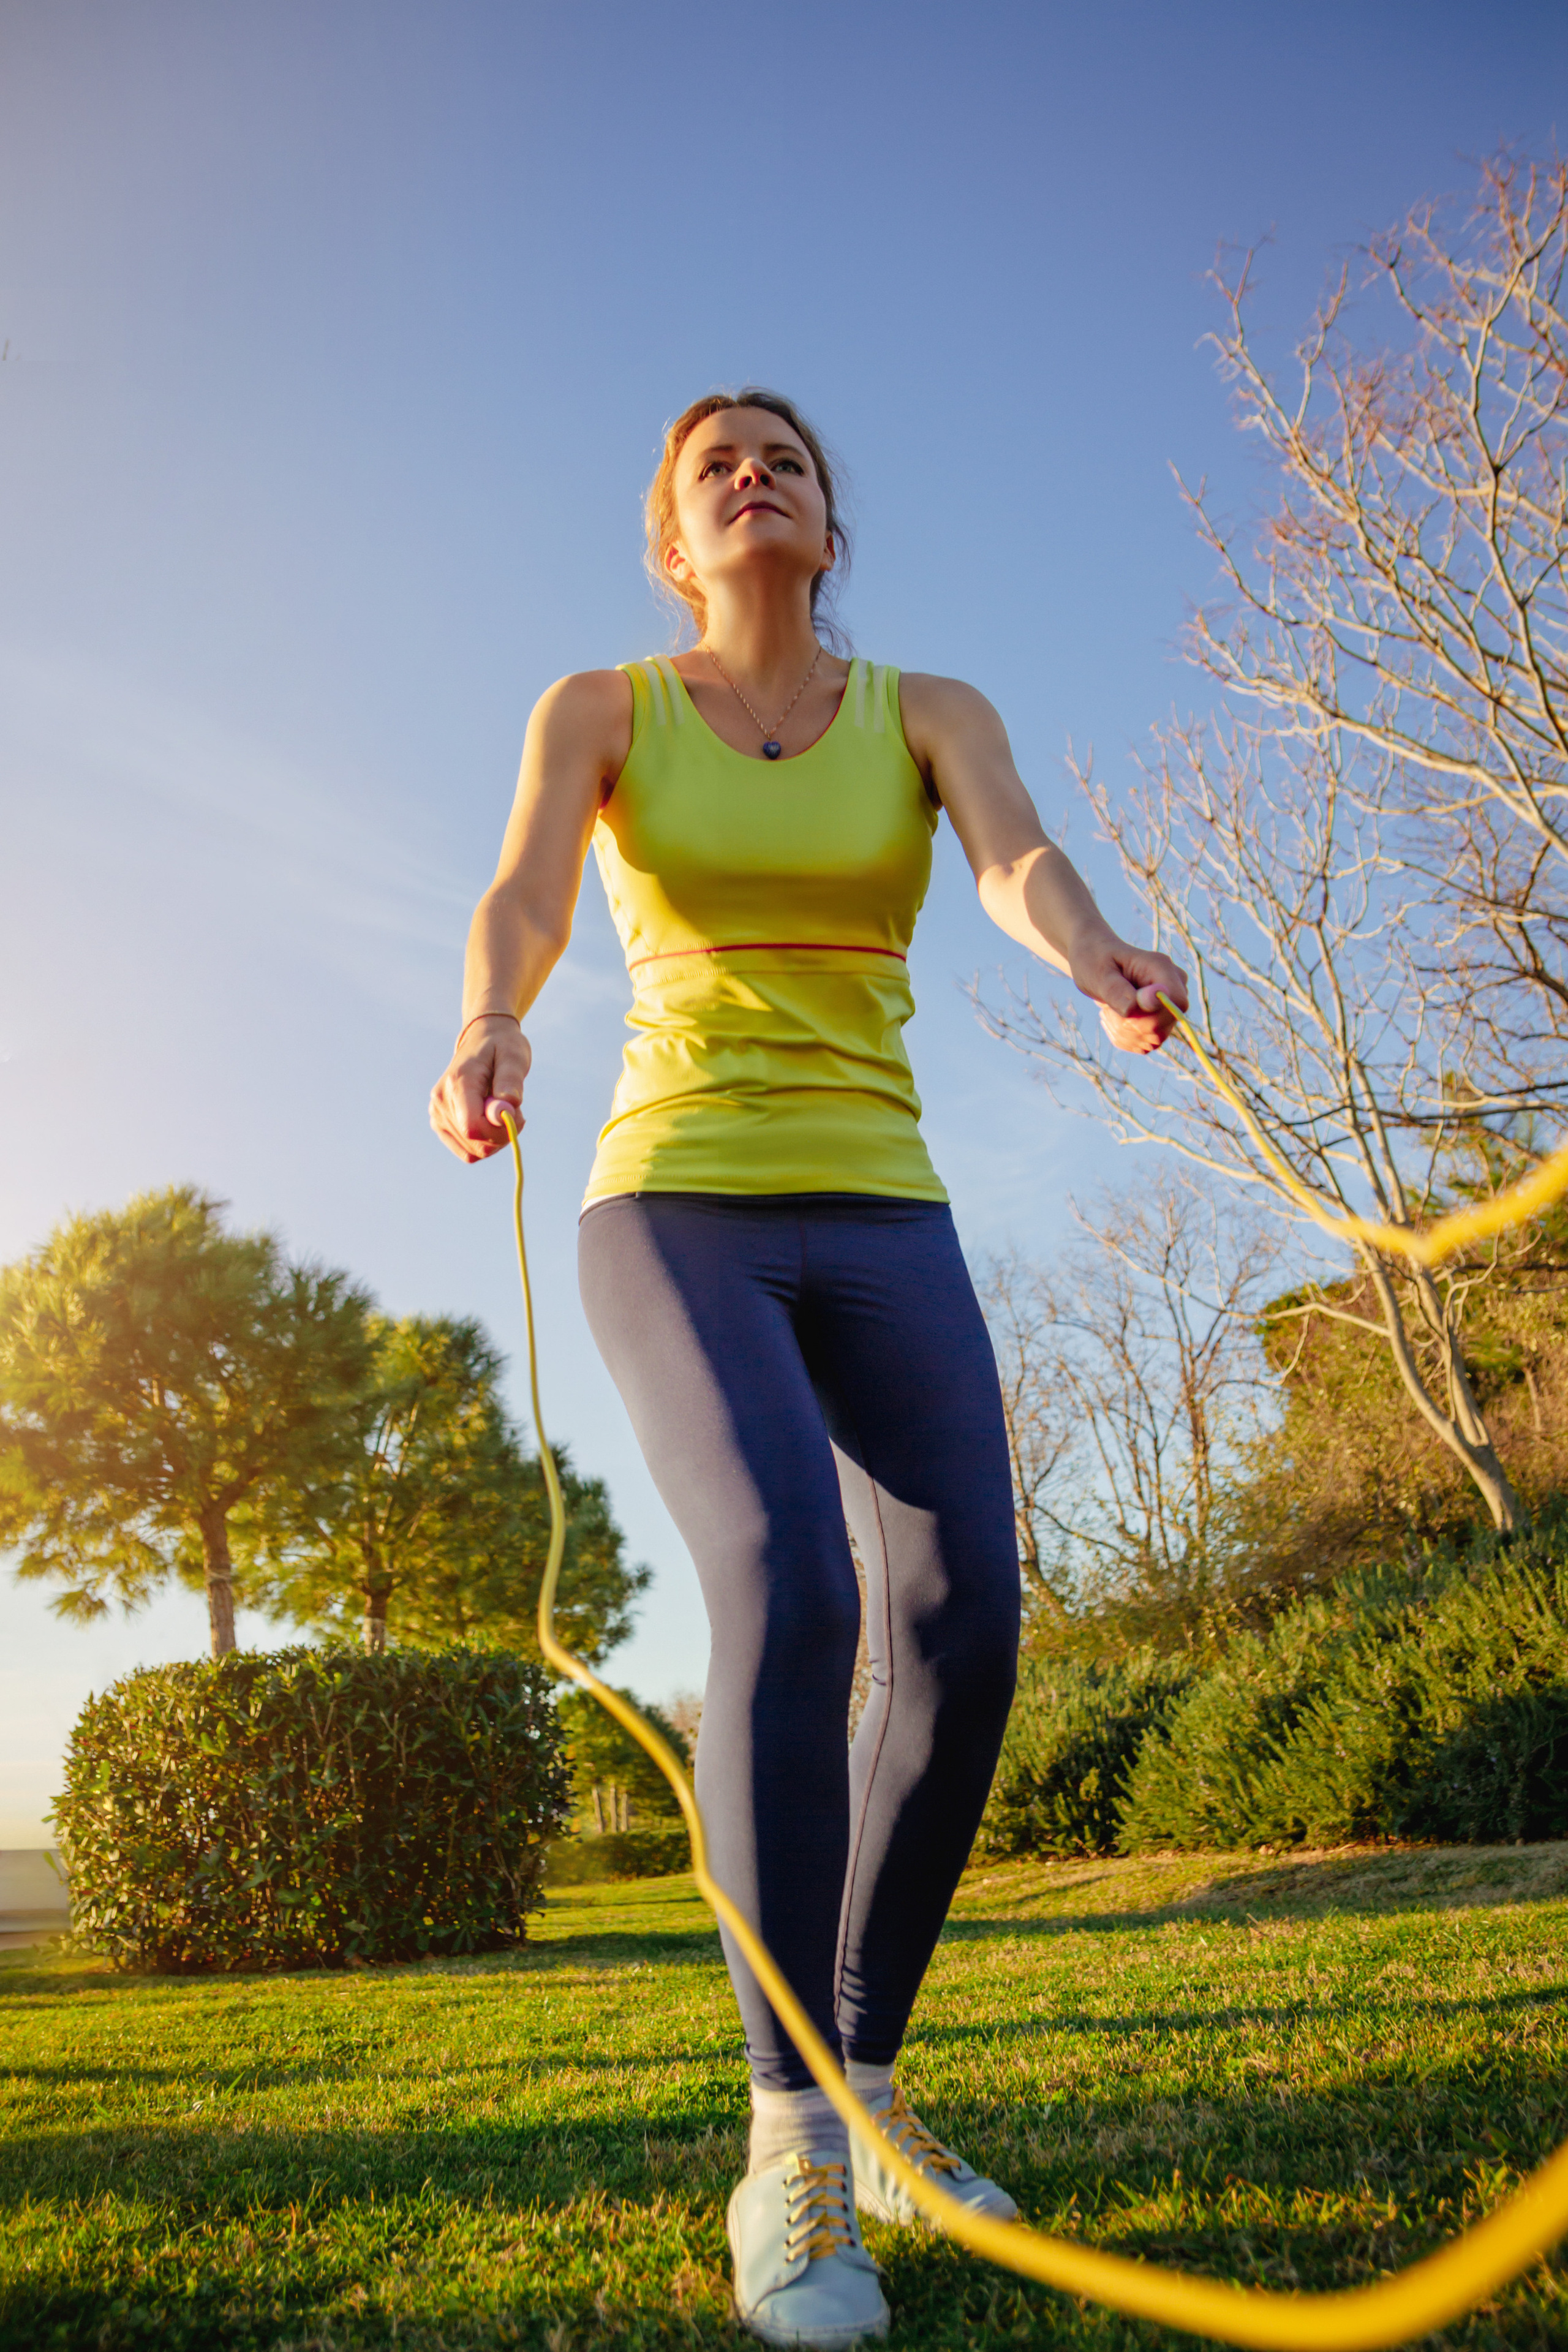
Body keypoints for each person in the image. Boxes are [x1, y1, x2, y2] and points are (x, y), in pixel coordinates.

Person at [429, 388, 1188, 2349]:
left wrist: (1099, 954)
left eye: (786, 459)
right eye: (714, 466)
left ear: (831, 529)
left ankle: (869, 2079)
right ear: (677, 541)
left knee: (962, 1623)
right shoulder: (602, 706)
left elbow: (1016, 863)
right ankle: (790, 2152)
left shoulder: (927, 710)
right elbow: (524, 886)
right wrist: (492, 1021)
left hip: (883, 1210)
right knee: (789, 1576)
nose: (753, 474)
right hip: (671, 1203)